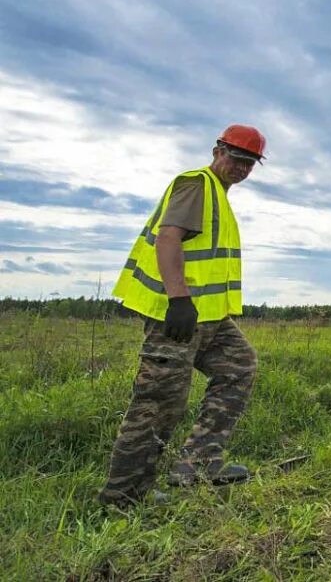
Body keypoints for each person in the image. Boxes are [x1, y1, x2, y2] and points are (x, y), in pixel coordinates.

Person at [98, 124, 267, 506]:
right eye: (236, 158)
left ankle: (200, 462)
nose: (241, 168)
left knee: (238, 366)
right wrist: (178, 300)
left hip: (209, 320)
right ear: (217, 151)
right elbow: (169, 237)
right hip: (177, 319)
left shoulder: (218, 196)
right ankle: (123, 496)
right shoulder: (196, 184)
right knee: (158, 403)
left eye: (250, 163)